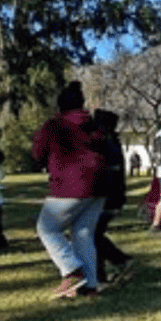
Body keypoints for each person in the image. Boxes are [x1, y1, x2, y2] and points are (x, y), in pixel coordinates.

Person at [32, 80, 107, 298]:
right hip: (99, 185)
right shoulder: (94, 125)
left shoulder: (54, 125)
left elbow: (37, 153)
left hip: (70, 185)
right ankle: (90, 286)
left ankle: (72, 271)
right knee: (83, 234)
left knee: (46, 228)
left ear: (60, 106)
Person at [93, 109, 133, 283]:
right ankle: (114, 264)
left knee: (92, 235)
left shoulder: (107, 144)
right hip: (110, 196)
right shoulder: (110, 142)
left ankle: (110, 266)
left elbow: (109, 174)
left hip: (107, 197)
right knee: (94, 234)